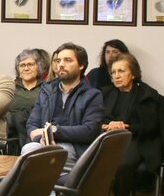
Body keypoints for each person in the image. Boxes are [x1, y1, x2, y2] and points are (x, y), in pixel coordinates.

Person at [98, 54, 164, 196]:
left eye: (121, 71)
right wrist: (107, 126)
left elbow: (151, 126)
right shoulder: (104, 93)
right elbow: (96, 119)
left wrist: (125, 126)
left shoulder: (148, 95)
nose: (116, 76)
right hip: (109, 139)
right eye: (113, 72)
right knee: (93, 162)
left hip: (139, 140)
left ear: (133, 73)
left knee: (122, 165)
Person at [21, 42, 104, 173]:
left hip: (75, 148)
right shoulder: (47, 90)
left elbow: (90, 130)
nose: (61, 64)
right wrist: (42, 138)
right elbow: (32, 124)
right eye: (58, 60)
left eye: (68, 60)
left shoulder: (92, 95)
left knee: (54, 155)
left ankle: (47, 186)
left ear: (81, 65)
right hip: (45, 144)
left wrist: (54, 131)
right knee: (29, 149)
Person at [4, 48, 45, 153]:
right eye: (22, 65)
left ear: (38, 67)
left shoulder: (47, 89)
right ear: (18, 69)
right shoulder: (9, 88)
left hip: (38, 136)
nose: (26, 68)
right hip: (12, 135)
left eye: (30, 64)